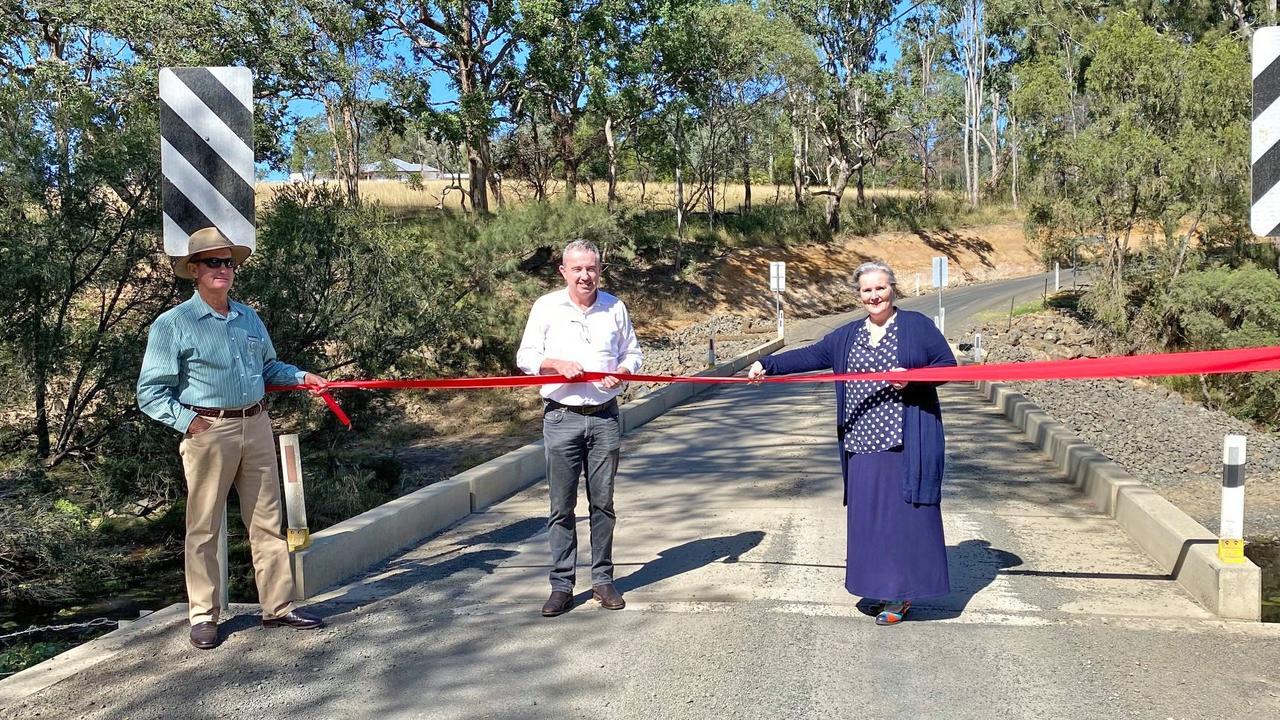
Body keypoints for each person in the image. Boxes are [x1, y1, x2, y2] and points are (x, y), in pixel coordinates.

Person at [137, 227, 327, 649]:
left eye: (228, 262)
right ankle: (204, 614)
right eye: (212, 262)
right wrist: (188, 423)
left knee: (267, 520)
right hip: (208, 430)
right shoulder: (174, 325)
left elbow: (269, 368)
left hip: (256, 424)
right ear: (194, 270)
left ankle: (278, 607)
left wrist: (300, 376)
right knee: (203, 526)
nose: (222, 269)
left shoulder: (248, 317)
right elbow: (150, 392)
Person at [748, 260, 955, 625]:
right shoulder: (847, 336)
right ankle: (880, 585)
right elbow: (808, 355)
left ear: (893, 289)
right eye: (867, 290)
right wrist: (766, 364)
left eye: (880, 287)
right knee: (870, 521)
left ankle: (901, 595)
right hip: (861, 443)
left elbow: (946, 366)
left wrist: (914, 379)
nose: (874, 295)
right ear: (859, 295)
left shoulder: (916, 327)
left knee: (903, 519)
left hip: (904, 441)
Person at [516, 239, 643, 617]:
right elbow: (526, 357)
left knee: (603, 503)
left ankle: (603, 580)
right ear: (564, 271)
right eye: (578, 269)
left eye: (592, 268)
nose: (585, 275)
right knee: (561, 506)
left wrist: (622, 372)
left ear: (600, 269)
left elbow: (633, 354)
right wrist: (555, 364)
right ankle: (561, 586)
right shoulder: (546, 307)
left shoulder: (614, 307)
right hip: (561, 417)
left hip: (604, 417)